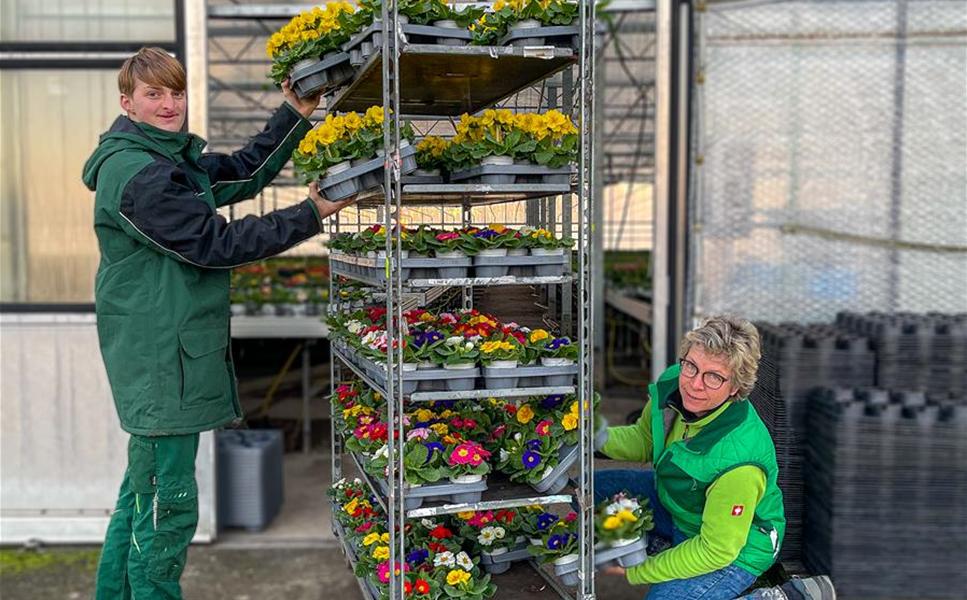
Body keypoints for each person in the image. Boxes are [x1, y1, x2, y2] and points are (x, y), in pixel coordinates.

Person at [81, 47, 352, 600]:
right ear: (127, 103)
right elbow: (214, 244)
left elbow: (243, 173)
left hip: (160, 349)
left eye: (176, 93)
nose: (170, 104)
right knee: (169, 506)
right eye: (154, 94)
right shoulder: (139, 175)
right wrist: (310, 215)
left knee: (141, 495)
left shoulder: (165, 158)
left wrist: (295, 112)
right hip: (161, 359)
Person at [597, 315, 835, 600]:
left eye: (714, 377)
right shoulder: (675, 383)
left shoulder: (739, 459)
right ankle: (667, 547)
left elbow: (716, 550)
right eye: (691, 366)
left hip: (735, 548)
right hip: (682, 507)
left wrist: (638, 571)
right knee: (591, 491)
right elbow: (645, 439)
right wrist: (594, 436)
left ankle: (780, 597)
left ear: (735, 387)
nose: (694, 384)